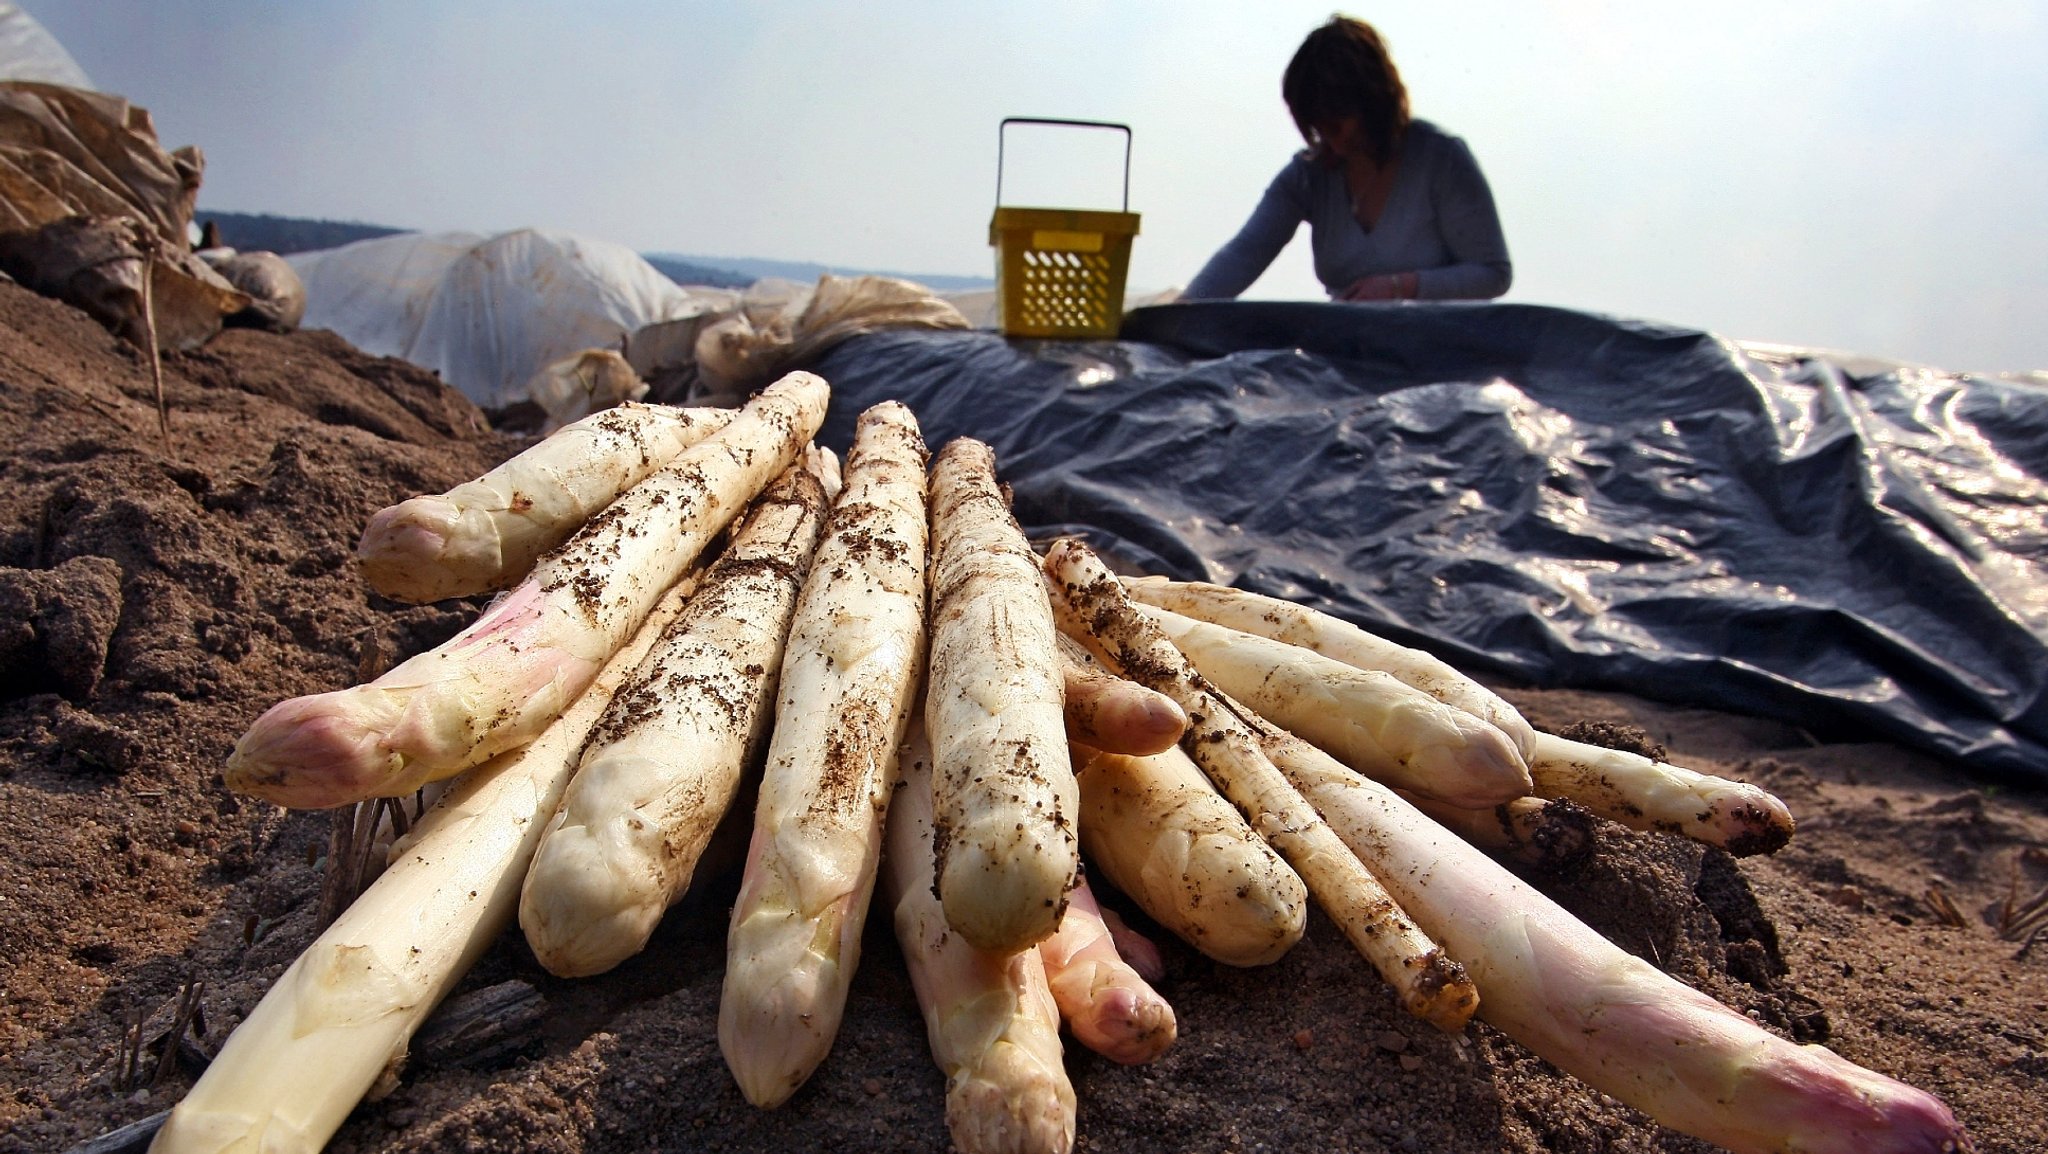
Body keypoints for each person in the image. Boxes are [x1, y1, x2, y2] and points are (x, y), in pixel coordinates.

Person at [1183, 15, 1511, 303]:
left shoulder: (1442, 159)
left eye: (1338, 124)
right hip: (1348, 355)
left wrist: (1400, 287)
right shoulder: (1307, 176)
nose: (1333, 142)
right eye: (1318, 128)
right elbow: (1244, 253)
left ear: (1372, 103)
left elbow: (1493, 274)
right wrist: (1180, 312)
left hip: (1444, 356)